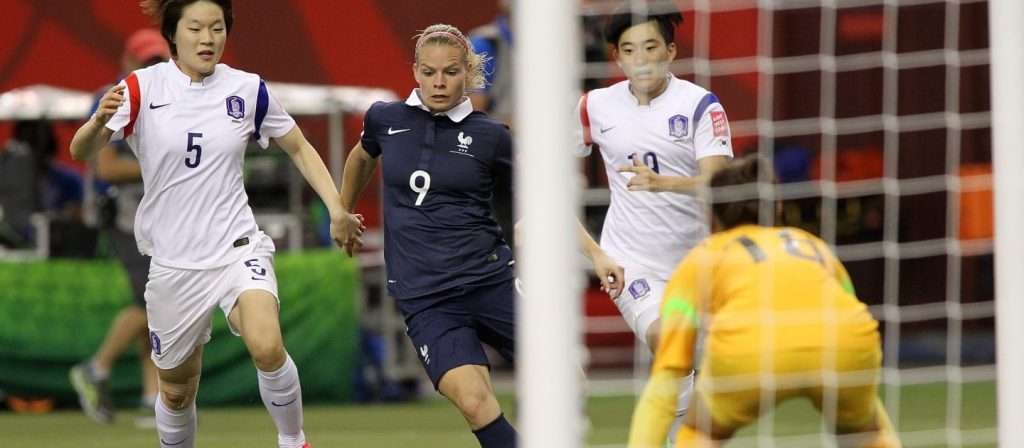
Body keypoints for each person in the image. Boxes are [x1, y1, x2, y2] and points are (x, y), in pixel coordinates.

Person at [69, 1, 356, 447]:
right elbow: (80, 151)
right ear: (173, 34)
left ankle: (294, 440)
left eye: (217, 28)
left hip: (237, 248)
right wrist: (98, 121)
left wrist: (336, 208)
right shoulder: (141, 88)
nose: (208, 39)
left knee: (266, 344)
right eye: (197, 28)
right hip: (174, 263)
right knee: (178, 390)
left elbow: (298, 147)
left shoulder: (248, 89)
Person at [335, 24, 622, 448]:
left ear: (468, 73)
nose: (438, 82)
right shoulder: (385, 118)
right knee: (474, 401)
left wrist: (595, 254)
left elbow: (544, 196)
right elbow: (362, 156)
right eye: (429, 72)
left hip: (491, 281)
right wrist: (343, 211)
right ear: (415, 71)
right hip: (426, 297)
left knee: (566, 378)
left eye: (450, 72)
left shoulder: (491, 136)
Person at [627, 156, 900, 447]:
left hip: (751, 350)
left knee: (700, 430)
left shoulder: (704, 256)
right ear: (779, 206)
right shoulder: (810, 243)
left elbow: (669, 372)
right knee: (865, 432)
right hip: (845, 344)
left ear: (712, 216)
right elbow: (849, 305)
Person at [574, 8, 733, 437]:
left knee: (696, 363)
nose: (640, 59)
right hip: (630, 260)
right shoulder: (594, 106)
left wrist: (666, 183)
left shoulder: (700, 105)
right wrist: (593, 250)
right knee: (669, 342)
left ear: (670, 51)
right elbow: (547, 172)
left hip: (696, 264)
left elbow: (721, 182)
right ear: (617, 58)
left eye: (650, 47)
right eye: (629, 50)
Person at [69, 28, 169, 428]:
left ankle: (151, 398)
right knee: (150, 302)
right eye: (146, 63)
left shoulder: (166, 97)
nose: (152, 69)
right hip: (124, 217)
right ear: (128, 62)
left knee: (155, 304)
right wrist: (163, 165)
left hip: (152, 216)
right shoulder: (114, 95)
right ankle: (96, 367)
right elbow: (107, 166)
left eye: (158, 62)